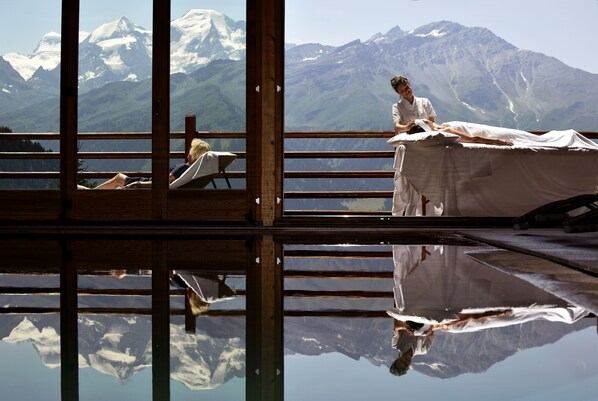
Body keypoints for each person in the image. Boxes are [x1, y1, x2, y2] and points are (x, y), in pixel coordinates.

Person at [83, 138, 211, 189]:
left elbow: (164, 182)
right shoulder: (194, 171)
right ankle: (92, 192)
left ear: (194, 154)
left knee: (118, 178)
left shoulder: (184, 168)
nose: (188, 152)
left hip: (148, 186)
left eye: (190, 150)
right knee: (118, 185)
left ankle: (92, 193)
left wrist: (138, 183)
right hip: (151, 186)